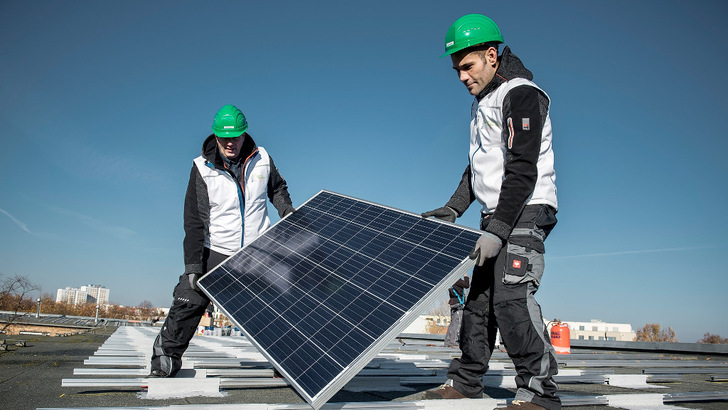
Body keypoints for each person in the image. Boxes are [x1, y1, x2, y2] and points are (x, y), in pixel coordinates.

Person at [421, 14, 560, 410]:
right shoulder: (482, 105)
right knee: (478, 302)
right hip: (495, 216)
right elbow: (477, 166)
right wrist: (452, 209)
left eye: (468, 66)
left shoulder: (520, 94)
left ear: (491, 55)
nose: (462, 76)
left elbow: (522, 167)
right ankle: (467, 381)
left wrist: (498, 230)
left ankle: (540, 394)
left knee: (511, 298)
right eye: (456, 69)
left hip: (526, 210)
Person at [149, 104, 295, 378]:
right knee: (189, 298)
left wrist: (286, 210)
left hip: (259, 248)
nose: (230, 142)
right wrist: (193, 265)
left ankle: (286, 363)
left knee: (279, 303)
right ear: (215, 136)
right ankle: (166, 357)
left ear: (244, 134)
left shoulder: (262, 157)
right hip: (216, 249)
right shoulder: (202, 168)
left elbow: (277, 188)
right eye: (224, 137)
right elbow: (194, 221)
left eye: (236, 136)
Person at [443, 274, 469, 348]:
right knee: (457, 323)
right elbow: (466, 285)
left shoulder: (450, 281)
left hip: (453, 304)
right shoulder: (456, 279)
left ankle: (447, 342)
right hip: (458, 304)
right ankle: (453, 342)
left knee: (452, 323)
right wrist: (466, 276)